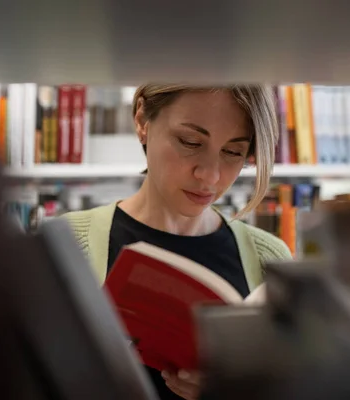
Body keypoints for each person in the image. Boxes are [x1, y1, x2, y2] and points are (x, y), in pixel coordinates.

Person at [63, 84, 293, 400]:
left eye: (233, 152)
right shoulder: (67, 244)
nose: (210, 176)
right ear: (143, 120)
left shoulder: (272, 259)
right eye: (190, 142)